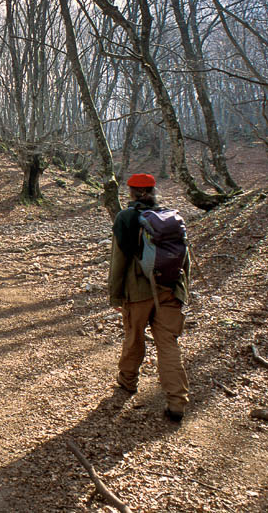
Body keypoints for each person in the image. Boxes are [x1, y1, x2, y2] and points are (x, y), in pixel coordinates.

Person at [107, 173, 190, 422]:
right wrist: (181, 289)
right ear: (153, 191)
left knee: (134, 337)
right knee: (168, 344)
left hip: (138, 292)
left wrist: (116, 297)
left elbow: (118, 262)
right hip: (169, 288)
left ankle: (128, 382)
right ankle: (177, 402)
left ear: (131, 192)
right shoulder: (171, 217)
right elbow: (185, 258)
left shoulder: (125, 218)